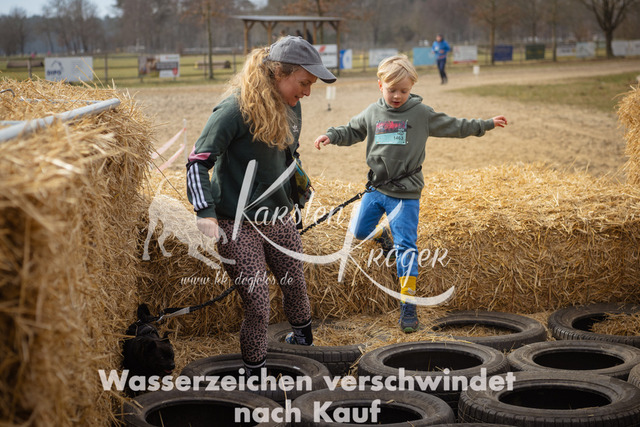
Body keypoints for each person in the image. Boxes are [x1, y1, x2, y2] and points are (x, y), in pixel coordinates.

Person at [313, 55, 507, 333]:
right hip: (376, 189)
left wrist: (485, 124)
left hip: (405, 194)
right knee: (359, 231)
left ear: (411, 88)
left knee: (406, 249)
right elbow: (352, 130)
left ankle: (408, 305)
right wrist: (331, 136)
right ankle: (383, 235)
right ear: (380, 85)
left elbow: (456, 125)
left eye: (403, 91)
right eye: (392, 89)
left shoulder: (421, 114)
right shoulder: (372, 112)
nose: (397, 96)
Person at [186, 35, 336, 377]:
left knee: (295, 285)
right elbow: (197, 161)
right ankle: (256, 376)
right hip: (236, 223)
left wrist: (297, 187)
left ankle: (305, 351)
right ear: (279, 73)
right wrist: (205, 211)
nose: (307, 92)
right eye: (303, 83)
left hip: (278, 217)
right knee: (257, 303)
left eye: (311, 85)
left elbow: (287, 154)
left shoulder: (292, 106)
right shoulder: (233, 110)